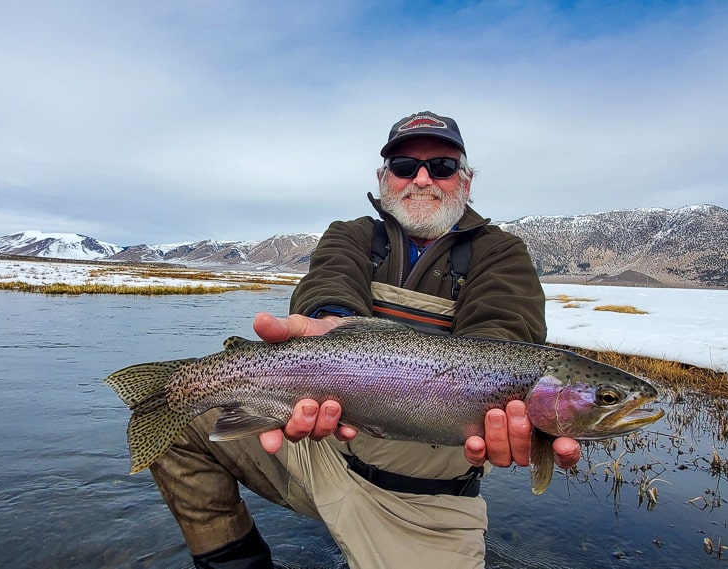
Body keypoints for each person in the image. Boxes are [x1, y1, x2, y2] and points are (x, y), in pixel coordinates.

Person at [149, 111, 582, 569]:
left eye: (441, 167)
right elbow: (329, 283)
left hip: (423, 505)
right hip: (320, 451)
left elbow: (505, 329)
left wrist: (508, 402)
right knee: (178, 421)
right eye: (403, 166)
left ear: (466, 181)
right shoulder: (352, 234)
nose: (421, 179)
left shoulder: (500, 252)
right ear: (384, 178)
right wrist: (330, 327)